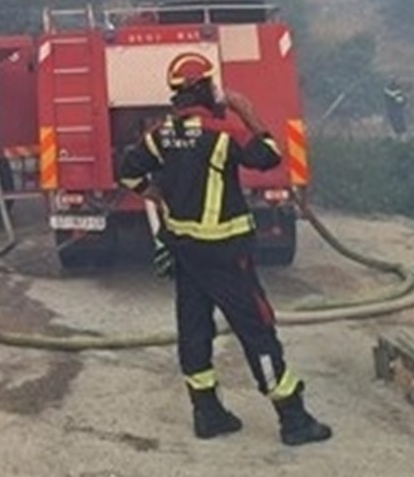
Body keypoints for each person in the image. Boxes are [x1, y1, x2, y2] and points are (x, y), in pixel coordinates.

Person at [117, 52, 332, 447]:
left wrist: (156, 194)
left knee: (194, 329)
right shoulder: (223, 133)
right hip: (226, 255)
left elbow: (128, 172)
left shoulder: (160, 135)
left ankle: (207, 413)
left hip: (185, 252)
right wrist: (246, 110)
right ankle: (293, 418)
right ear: (206, 88)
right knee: (257, 329)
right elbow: (269, 157)